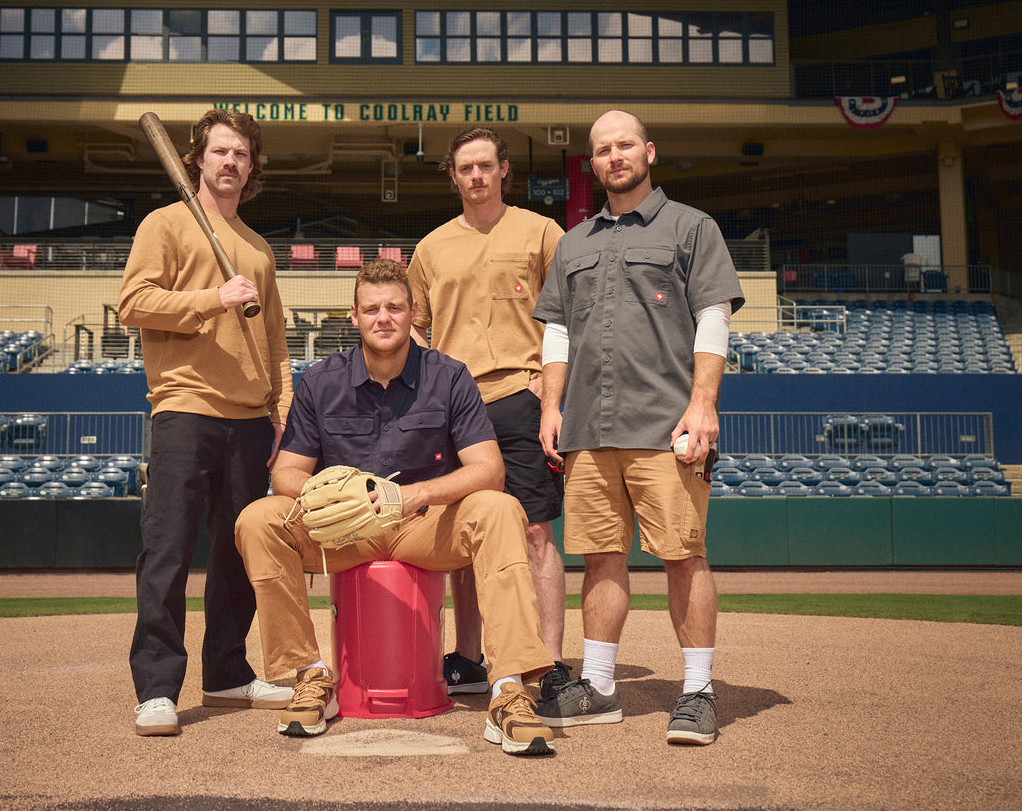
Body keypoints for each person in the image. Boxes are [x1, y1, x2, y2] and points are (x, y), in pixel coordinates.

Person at [234, 258, 557, 756]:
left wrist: (417, 494)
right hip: (347, 528)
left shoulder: (449, 376)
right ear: (354, 315)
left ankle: (508, 688)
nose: (383, 318)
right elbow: (285, 474)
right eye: (372, 309)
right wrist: (331, 494)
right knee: (258, 518)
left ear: (412, 314)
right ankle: (311, 676)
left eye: (395, 308)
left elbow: (489, 469)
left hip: (424, 526)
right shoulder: (321, 381)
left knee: (498, 507)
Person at [531, 109, 744, 745]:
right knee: (599, 561)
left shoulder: (691, 227)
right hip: (590, 431)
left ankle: (698, 693)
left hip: (665, 426)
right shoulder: (573, 243)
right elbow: (557, 330)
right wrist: (549, 406)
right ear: (592, 164)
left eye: (625, 145)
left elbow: (713, 318)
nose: (615, 156)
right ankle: (598, 687)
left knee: (684, 557)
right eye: (603, 149)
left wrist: (703, 403)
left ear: (649, 152)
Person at [118, 109, 294, 736]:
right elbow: (132, 303)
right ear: (197, 158)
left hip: (250, 420)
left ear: (252, 166)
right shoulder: (164, 224)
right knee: (166, 552)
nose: (230, 163)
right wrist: (209, 300)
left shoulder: (258, 249)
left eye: (241, 154)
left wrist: (281, 413)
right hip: (184, 408)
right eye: (219, 151)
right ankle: (157, 688)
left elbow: (274, 344)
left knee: (237, 556)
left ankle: (226, 672)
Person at [406, 127, 571, 700]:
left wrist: (547, 388)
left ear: (504, 169)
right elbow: (415, 328)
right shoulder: (429, 249)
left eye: (485, 166)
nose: (475, 176)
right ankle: (471, 657)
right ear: (452, 176)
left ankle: (549, 662)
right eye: (465, 168)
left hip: (517, 398)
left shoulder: (542, 231)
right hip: (454, 406)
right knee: (465, 535)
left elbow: (568, 318)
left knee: (533, 532)